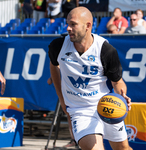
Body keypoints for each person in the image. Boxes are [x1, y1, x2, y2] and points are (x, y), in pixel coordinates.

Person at [48, 6, 132, 150]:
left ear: (88, 25)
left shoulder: (106, 50)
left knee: (123, 148)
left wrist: (123, 96)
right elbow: (54, 65)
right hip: (80, 110)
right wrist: (61, 98)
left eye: (73, 24)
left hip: (106, 104)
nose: (68, 28)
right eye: (67, 23)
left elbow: (117, 82)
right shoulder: (58, 46)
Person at [47, 77, 78, 148]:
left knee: (72, 113)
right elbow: (57, 66)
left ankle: (76, 139)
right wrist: (52, 78)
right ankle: (74, 140)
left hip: (78, 87)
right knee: (70, 113)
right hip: (69, 87)